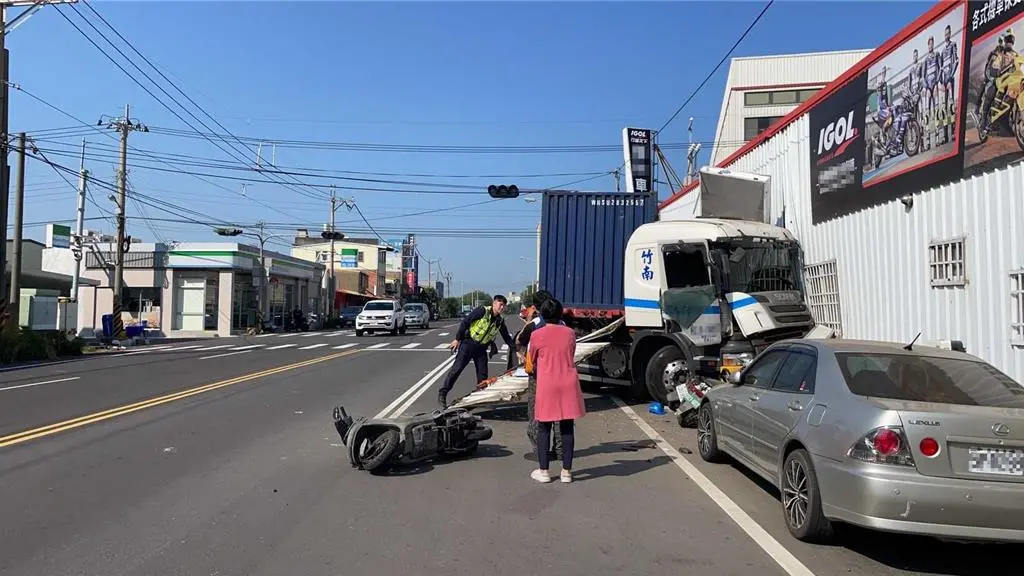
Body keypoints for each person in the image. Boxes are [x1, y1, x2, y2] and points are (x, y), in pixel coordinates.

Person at [527, 298, 585, 484]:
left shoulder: (537, 334)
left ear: (542, 314)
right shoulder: (570, 333)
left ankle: (544, 471)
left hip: (547, 384)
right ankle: (566, 472)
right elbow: (571, 353)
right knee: (567, 428)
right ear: (560, 314)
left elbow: (532, 356)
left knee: (544, 427)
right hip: (568, 382)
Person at [437, 295, 516, 408]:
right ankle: (443, 393)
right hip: (468, 344)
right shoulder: (482, 311)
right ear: (494, 303)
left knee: (483, 375)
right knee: (457, 369)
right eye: (500, 304)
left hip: (481, 348)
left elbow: (506, 337)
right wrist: (457, 339)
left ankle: (479, 398)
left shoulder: (500, 321)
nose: (502, 307)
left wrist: (517, 351)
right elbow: (465, 322)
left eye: (504, 305)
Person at [514, 290, 564, 460]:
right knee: (558, 413)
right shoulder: (563, 325)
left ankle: (538, 449)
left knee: (536, 411)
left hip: (539, 374)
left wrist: (522, 355)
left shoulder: (534, 324)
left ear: (535, 307)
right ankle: (559, 449)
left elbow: (520, 341)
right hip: (560, 373)